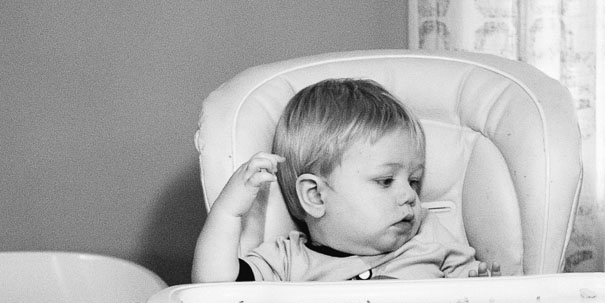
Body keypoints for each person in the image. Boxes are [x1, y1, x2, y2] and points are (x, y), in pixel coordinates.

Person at [192, 77, 492, 283]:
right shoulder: (288, 261)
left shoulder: (428, 236)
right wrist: (228, 211)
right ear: (316, 196)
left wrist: (483, 287)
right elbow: (216, 288)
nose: (409, 196)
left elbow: (472, 297)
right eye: (386, 181)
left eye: (413, 181)